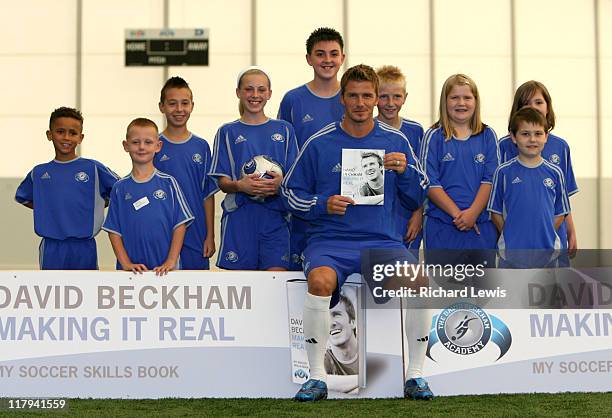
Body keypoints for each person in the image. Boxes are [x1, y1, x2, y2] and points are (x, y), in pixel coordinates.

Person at [282, 64, 433, 401]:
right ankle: (317, 378)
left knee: (420, 282)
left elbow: (419, 193)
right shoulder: (319, 143)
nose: (361, 102)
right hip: (330, 241)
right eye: (354, 95)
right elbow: (289, 193)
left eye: (367, 95)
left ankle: (416, 377)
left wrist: (406, 171)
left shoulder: (396, 141)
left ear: (377, 99)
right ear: (342, 98)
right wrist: (323, 204)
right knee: (320, 281)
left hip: (381, 241)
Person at [209, 67, 298, 271]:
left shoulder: (284, 129)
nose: (255, 95)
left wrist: (279, 185)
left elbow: (295, 177)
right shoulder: (226, 132)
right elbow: (222, 182)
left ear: (269, 93)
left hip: (277, 218)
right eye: (249, 89)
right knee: (241, 292)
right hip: (239, 218)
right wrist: (240, 185)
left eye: (261, 89)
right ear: (239, 92)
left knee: (275, 281)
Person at [15, 107, 119, 270]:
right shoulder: (39, 172)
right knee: (51, 293)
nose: (66, 137)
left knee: (86, 292)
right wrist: (49, 209)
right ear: (50, 135)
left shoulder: (93, 168)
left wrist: (96, 206)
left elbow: (121, 191)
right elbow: (23, 197)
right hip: (51, 247)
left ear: (81, 137)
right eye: (60, 131)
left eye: (72, 133)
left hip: (84, 247)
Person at [278, 27, 346, 270]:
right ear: (308, 58)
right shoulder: (293, 100)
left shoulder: (353, 98)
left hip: (345, 200)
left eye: (333, 54)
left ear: (342, 58)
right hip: (305, 201)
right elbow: (282, 150)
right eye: (320, 54)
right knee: (302, 272)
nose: (327, 60)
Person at [420, 74, 499, 265]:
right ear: (444, 101)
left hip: (481, 227)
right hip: (443, 227)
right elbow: (429, 182)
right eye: (454, 97)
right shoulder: (433, 136)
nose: (461, 103)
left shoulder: (488, 135)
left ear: (476, 101)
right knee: (446, 292)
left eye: (467, 97)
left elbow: (491, 180)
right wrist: (458, 215)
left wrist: (472, 214)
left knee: (483, 293)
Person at [102, 118, 193, 275]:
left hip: (166, 271)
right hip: (132, 273)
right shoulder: (119, 188)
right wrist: (126, 263)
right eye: (136, 142)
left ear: (158, 146)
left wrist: (171, 261)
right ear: (126, 146)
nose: (142, 147)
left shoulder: (169, 183)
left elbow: (180, 225)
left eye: (148, 142)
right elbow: (114, 231)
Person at [498, 81, 578, 256]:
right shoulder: (503, 146)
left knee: (549, 283)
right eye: (526, 103)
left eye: (538, 102)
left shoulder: (561, 147)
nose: (533, 107)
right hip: (516, 241)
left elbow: (562, 199)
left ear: (548, 107)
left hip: (552, 239)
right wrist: (510, 234)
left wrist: (571, 231)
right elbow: (496, 201)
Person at [487, 108, 570, 268]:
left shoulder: (555, 173)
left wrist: (544, 233)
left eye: (538, 134)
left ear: (546, 136)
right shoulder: (503, 172)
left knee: (545, 293)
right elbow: (495, 212)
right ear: (513, 137)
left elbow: (560, 213)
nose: (532, 139)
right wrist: (510, 234)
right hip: (511, 255)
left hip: (547, 256)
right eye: (525, 134)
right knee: (512, 293)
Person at [155, 76, 217, 270]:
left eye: (184, 103)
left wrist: (210, 235)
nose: (179, 109)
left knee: (195, 293)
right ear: (162, 106)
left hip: (195, 232)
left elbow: (207, 195)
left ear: (192, 105)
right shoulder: (153, 145)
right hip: (161, 231)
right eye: (172, 104)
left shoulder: (201, 146)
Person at [376, 65, 425, 253]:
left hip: (408, 215)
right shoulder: (365, 131)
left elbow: (423, 178)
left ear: (405, 97)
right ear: (374, 97)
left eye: (396, 96)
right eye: (383, 96)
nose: (390, 103)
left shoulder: (416, 130)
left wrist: (419, 213)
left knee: (405, 273)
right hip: (378, 218)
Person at [324, 291, 358, 394]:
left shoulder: (369, 352)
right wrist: (363, 380)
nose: (331, 323)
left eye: (336, 315)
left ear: (352, 322)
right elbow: (319, 382)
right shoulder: (324, 357)